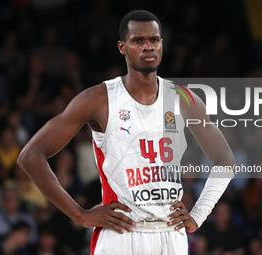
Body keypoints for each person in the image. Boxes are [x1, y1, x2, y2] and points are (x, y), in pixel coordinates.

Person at [17, 10, 235, 255]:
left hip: (171, 235)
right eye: (138, 41)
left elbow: (225, 160)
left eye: (154, 40)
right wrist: (80, 214)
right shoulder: (99, 98)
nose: (147, 47)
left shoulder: (183, 98)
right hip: (122, 233)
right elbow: (30, 155)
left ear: (162, 44)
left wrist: (199, 214)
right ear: (122, 47)